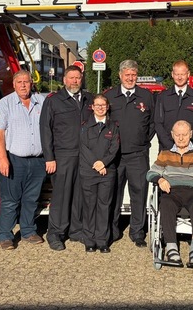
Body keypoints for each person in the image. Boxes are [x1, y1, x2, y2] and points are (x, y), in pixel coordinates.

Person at [147, 120, 193, 266]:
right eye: (177, 135)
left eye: (184, 134)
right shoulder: (165, 154)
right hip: (172, 191)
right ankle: (171, 247)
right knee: (166, 205)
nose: (181, 138)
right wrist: (160, 179)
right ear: (172, 135)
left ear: (191, 134)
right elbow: (151, 173)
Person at [40, 65, 94, 251]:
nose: (74, 81)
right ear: (64, 80)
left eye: (78, 78)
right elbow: (45, 130)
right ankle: (55, 233)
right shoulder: (54, 101)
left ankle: (75, 229)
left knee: (79, 195)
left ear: (82, 79)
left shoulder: (89, 99)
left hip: (84, 157)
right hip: (62, 156)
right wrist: (49, 158)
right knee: (62, 195)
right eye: (71, 78)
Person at [0, 70, 46, 250]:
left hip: (38, 160)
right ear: (14, 85)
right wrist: (2, 159)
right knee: (10, 200)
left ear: (32, 83)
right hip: (14, 160)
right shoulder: (5, 103)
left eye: (27, 82)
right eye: (19, 82)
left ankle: (28, 231)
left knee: (31, 199)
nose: (23, 85)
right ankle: (5, 235)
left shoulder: (42, 102)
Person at [104, 59, 155, 247]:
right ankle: (113, 229)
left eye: (134, 74)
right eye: (127, 74)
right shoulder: (109, 96)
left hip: (138, 155)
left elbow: (152, 123)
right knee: (113, 193)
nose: (130, 78)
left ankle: (137, 231)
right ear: (120, 75)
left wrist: (142, 140)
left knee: (139, 192)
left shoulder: (146, 96)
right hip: (115, 156)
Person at [79, 94, 120, 253]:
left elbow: (114, 148)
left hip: (107, 172)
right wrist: (96, 164)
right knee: (89, 207)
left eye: (103, 105)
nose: (100, 108)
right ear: (92, 107)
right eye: (97, 105)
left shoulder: (113, 126)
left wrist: (104, 163)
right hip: (89, 172)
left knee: (104, 206)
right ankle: (89, 240)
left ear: (107, 107)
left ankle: (102, 241)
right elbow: (84, 147)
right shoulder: (85, 126)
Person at [154, 60, 193, 149]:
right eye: (177, 74)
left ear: (188, 74)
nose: (179, 77)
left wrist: (190, 145)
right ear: (172, 74)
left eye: (182, 74)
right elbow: (158, 123)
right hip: (167, 149)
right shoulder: (163, 96)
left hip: (190, 148)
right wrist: (170, 145)